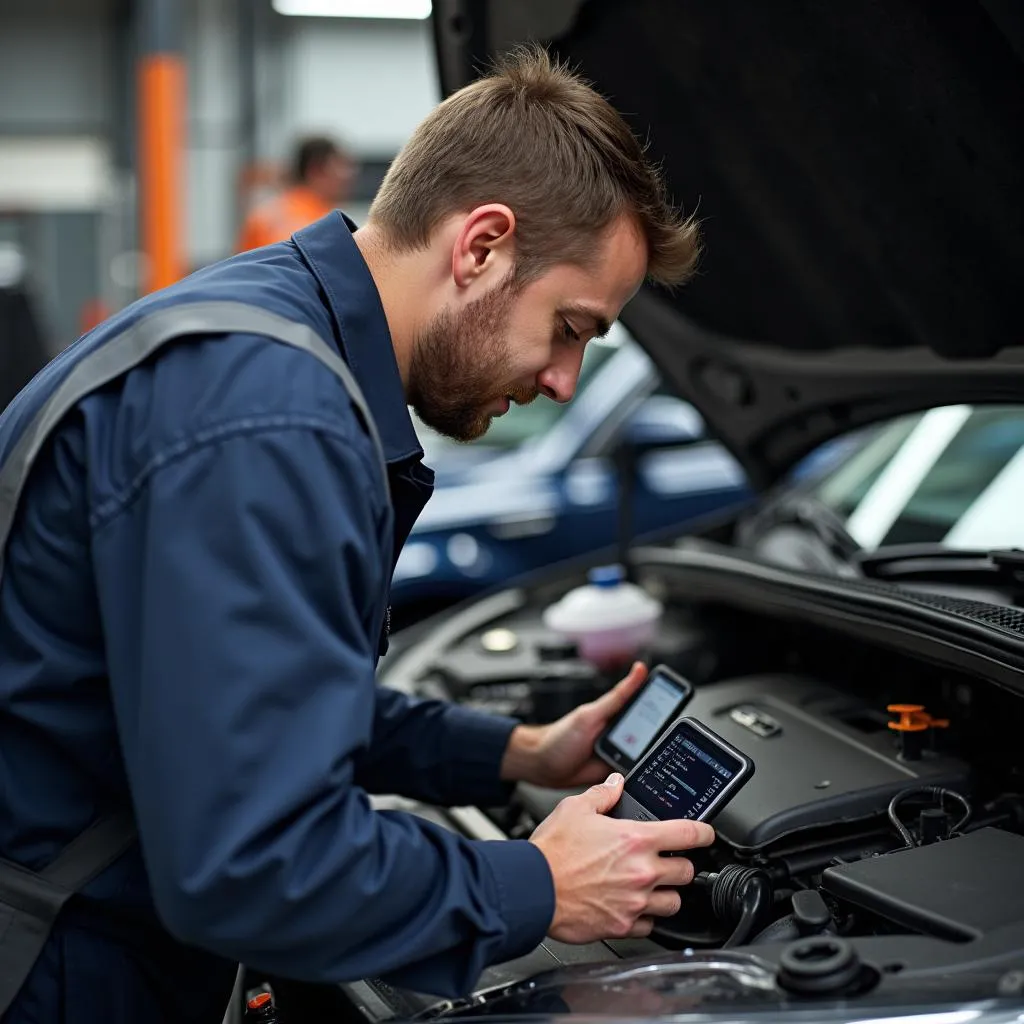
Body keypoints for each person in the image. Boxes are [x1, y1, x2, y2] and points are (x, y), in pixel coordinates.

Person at [0, 46, 706, 1024]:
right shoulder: (271, 418)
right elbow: (254, 864)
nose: (562, 381)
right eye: (570, 327)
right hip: (58, 971)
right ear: (481, 247)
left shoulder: (269, 340)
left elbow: (246, 703)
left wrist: (514, 752)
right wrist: (537, 884)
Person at [237, 135, 357, 252]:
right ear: (315, 170)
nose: (348, 176)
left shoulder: (264, 213)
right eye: (340, 167)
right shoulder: (321, 223)